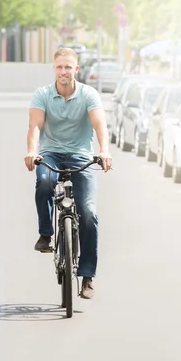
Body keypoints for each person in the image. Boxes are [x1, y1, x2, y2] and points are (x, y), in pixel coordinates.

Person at [24, 47, 112, 300]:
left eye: (68, 67)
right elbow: (35, 126)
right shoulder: (42, 94)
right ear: (54, 69)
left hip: (81, 156)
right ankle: (46, 234)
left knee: (89, 212)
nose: (64, 71)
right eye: (59, 67)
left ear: (76, 69)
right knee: (43, 181)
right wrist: (32, 151)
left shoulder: (88, 94)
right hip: (50, 152)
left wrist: (104, 151)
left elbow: (99, 124)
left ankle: (87, 276)